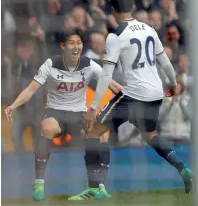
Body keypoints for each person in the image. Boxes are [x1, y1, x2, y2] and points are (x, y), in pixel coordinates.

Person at [82, 0, 195, 195]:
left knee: (93, 131)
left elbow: (106, 76)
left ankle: (96, 187)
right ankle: (183, 168)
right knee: (150, 135)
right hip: (155, 94)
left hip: (133, 95)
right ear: (133, 7)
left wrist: (92, 107)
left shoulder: (116, 35)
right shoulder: (150, 29)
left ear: (113, 10)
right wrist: (171, 84)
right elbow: (165, 62)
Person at [5, 28, 123, 201]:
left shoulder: (89, 65)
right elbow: (30, 90)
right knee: (47, 128)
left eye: (79, 43)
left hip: (80, 113)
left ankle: (98, 186)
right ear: (62, 46)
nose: (76, 47)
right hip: (55, 112)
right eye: (71, 43)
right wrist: (13, 105)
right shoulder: (50, 64)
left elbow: (115, 87)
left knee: (101, 134)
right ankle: (39, 183)